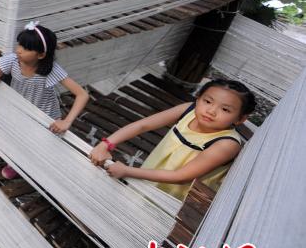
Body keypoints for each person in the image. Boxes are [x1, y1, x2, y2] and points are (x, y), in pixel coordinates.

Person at [89, 79, 254, 200]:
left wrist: (127, 171)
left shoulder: (226, 144)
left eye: (225, 109)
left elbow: (181, 176)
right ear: (198, 99)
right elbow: (143, 125)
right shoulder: (187, 110)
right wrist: (106, 144)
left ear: (240, 119)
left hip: (175, 199)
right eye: (207, 101)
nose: (211, 111)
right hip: (149, 176)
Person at [0, 22, 90, 178]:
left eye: (26, 48)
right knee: (18, 136)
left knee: (37, 142)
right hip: (21, 108)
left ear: (41, 55)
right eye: (19, 45)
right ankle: (15, 162)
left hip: (44, 114)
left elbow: (82, 94)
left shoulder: (50, 70)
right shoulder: (12, 60)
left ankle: (25, 165)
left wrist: (66, 122)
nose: (19, 50)